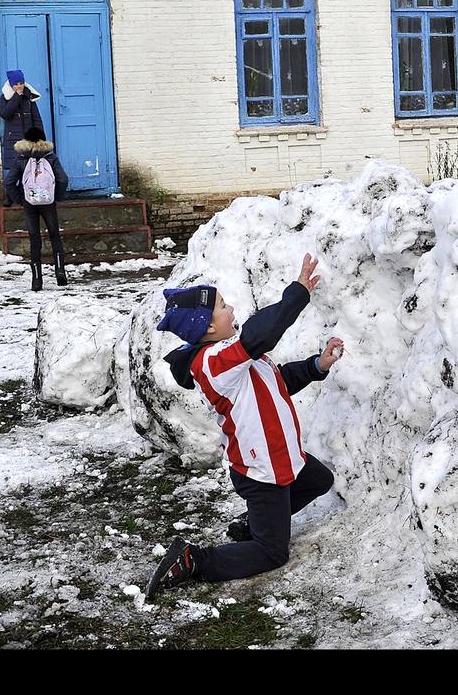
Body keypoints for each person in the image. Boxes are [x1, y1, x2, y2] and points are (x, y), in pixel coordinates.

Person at [145, 254, 345, 603]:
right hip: (261, 468)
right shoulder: (211, 362)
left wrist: (317, 365)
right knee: (272, 552)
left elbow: (275, 380)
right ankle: (195, 560)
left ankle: (252, 525)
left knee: (319, 480)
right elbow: (261, 335)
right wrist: (296, 293)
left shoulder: (232, 356)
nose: (232, 308)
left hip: (283, 456)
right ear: (208, 325)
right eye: (223, 306)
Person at [3, 127, 69, 291]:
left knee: (34, 239)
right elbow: (63, 179)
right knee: (54, 234)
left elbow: (9, 183)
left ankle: (37, 280)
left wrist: (20, 200)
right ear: (43, 140)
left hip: (29, 203)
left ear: (26, 141)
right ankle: (60, 271)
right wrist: (57, 196)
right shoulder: (51, 158)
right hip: (48, 202)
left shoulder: (21, 159)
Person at [0, 70, 46, 206]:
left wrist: (40, 137)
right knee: (14, 171)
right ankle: (9, 197)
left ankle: (22, 196)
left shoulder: (29, 99)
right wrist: (16, 98)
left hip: (28, 139)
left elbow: (36, 118)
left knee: (27, 169)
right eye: (16, 84)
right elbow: (6, 114)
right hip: (13, 140)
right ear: (11, 85)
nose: (19, 86)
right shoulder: (5, 98)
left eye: (21, 83)